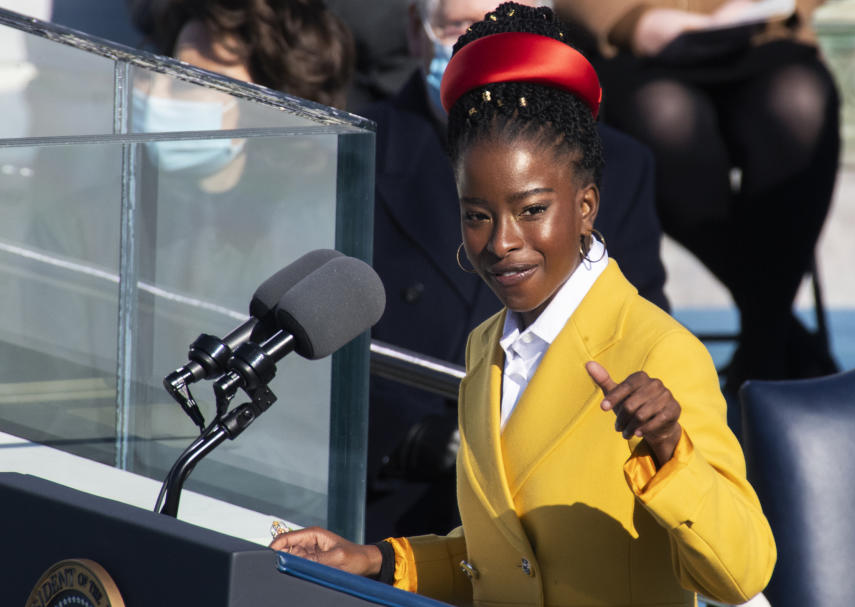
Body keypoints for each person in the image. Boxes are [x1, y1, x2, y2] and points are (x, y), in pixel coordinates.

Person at [272, 4, 775, 605]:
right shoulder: (488, 347)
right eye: (477, 217)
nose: (503, 242)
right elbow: (507, 558)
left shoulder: (660, 351)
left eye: (533, 210)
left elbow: (743, 570)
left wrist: (671, 450)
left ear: (586, 206)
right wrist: (378, 559)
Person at [361, 0, 670, 542]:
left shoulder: (619, 164)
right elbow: (324, 329)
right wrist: (408, 434)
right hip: (390, 500)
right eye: (461, 24)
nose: (484, 41)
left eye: (506, 20)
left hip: (564, 512)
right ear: (416, 32)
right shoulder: (355, 151)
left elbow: (641, 333)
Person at [553, 0, 841, 390]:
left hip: (761, 36)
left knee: (801, 104)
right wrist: (633, 22)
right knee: (663, 116)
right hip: (634, 49)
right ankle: (772, 339)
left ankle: (765, 343)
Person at [129, 0, 354, 108]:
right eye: (152, 75)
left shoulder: (324, 200)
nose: (154, 97)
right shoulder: (122, 189)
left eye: (192, 84)